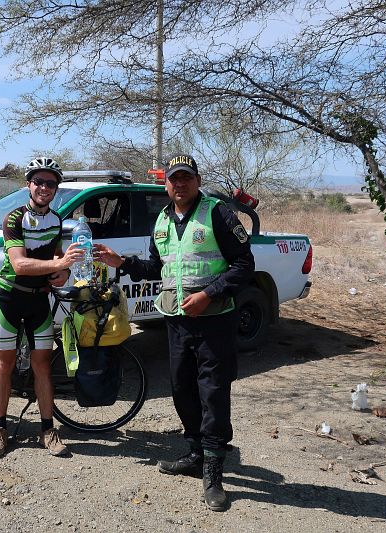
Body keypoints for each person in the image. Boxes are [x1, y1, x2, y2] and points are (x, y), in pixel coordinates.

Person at [94, 154, 254, 511]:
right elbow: (157, 267)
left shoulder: (217, 213)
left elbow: (244, 264)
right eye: (174, 179)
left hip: (215, 320)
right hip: (177, 321)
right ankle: (196, 453)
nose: (179, 184)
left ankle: (213, 471)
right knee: (182, 389)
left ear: (197, 181)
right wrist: (122, 262)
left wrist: (208, 294)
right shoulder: (163, 219)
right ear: (166, 184)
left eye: (186, 178)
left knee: (213, 392)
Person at [0, 156, 84, 458]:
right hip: (10, 298)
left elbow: (55, 255)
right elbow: (20, 264)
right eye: (39, 181)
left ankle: (47, 429)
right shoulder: (14, 219)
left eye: (50, 183)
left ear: (56, 188)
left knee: (42, 365)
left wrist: (64, 271)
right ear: (28, 185)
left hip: (39, 299)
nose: (44, 187)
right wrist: (60, 263)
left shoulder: (56, 220)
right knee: (3, 364)